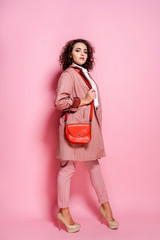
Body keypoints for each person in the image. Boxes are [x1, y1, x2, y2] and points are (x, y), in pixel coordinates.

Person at [54, 38, 119, 233]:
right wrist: (83, 100)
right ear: (70, 54)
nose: (82, 54)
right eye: (78, 50)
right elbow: (59, 102)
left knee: (95, 169)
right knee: (67, 170)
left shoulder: (85, 74)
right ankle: (64, 212)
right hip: (74, 130)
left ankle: (105, 207)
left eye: (85, 51)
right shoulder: (68, 74)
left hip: (90, 129)